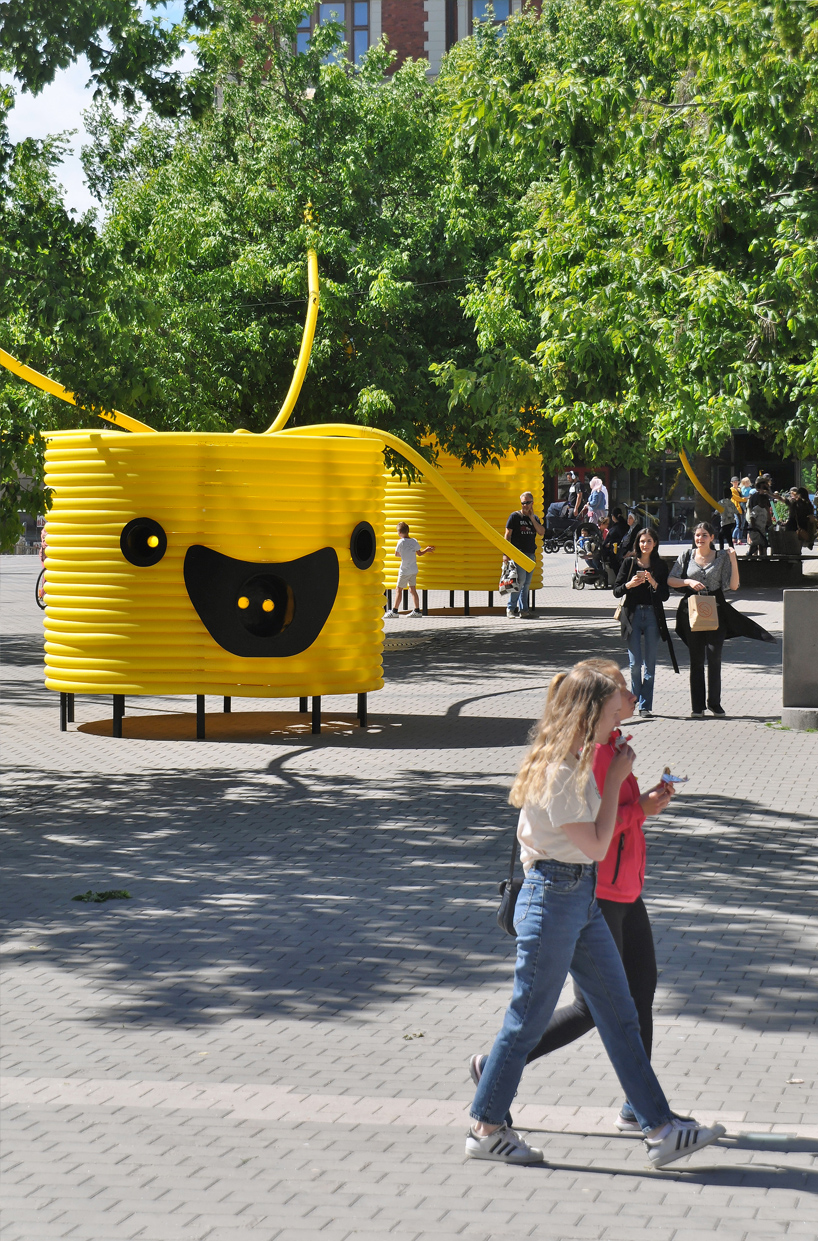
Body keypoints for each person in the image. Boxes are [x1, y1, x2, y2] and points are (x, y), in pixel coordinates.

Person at [465, 664, 725, 1168]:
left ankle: (660, 1128)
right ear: (589, 716)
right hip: (554, 896)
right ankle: (485, 1126)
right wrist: (615, 778)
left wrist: (612, 778)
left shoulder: (575, 760)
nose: (620, 719)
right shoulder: (562, 771)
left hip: (578, 897)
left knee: (620, 1011)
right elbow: (598, 843)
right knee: (526, 1021)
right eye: (612, 711)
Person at [500, 659, 680, 1135]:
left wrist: (641, 807)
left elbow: (606, 826)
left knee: (630, 1003)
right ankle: (489, 1102)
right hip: (582, 890)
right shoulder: (586, 759)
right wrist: (634, 804)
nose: (631, 696)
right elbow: (595, 839)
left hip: (608, 887)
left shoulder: (608, 747)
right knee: (572, 1013)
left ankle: (648, 1116)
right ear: (596, 705)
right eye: (621, 689)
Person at [668, 521, 775, 718]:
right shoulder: (686, 556)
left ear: (712, 538)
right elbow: (671, 579)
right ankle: (697, 706)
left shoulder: (721, 557)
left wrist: (734, 561)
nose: (700, 539)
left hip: (716, 609)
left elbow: (733, 586)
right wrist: (688, 581)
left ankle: (714, 703)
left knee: (714, 656)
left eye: (704, 535)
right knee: (696, 659)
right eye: (697, 535)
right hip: (691, 610)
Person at [613, 527, 677, 717]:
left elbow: (665, 595)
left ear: (655, 543)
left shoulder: (660, 565)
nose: (645, 544)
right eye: (642, 541)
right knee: (634, 664)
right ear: (637, 543)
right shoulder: (629, 563)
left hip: (652, 615)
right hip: (632, 615)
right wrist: (630, 584)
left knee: (649, 663)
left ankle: (645, 705)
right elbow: (616, 590)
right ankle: (633, 701)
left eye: (649, 541)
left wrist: (654, 582)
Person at [503, 492, 544, 618]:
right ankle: (510, 608)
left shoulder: (534, 518)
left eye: (527, 503)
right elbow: (507, 535)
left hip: (530, 553)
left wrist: (531, 518)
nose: (524, 505)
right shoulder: (514, 517)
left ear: (532, 503)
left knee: (526, 583)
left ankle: (524, 610)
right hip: (518, 553)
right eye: (522, 503)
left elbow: (541, 532)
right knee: (520, 581)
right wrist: (506, 553)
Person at [385, 522, 434, 617]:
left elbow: (396, 554)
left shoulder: (400, 542)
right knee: (412, 589)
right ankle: (417, 611)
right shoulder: (414, 541)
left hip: (404, 570)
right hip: (413, 569)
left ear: (399, 533)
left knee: (399, 589)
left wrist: (404, 554)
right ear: (408, 531)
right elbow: (419, 553)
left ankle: (394, 611)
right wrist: (427, 549)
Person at [716, 484, 739, 550]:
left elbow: (716, 512)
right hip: (731, 522)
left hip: (725, 523)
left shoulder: (720, 502)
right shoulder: (732, 503)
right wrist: (739, 523)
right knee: (728, 537)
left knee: (721, 536)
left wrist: (711, 519)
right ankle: (731, 550)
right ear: (731, 495)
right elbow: (737, 513)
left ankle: (722, 550)